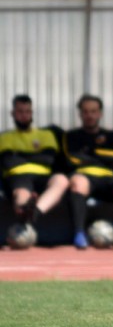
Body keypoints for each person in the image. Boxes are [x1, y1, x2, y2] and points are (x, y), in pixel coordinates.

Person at [62, 94, 113, 249]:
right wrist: (100, 155)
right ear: (80, 114)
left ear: (100, 113)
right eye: (85, 112)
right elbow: (73, 159)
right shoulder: (71, 136)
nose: (89, 115)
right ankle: (79, 234)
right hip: (84, 176)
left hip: (110, 177)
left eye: (93, 111)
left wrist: (89, 152)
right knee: (78, 183)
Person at [0, 94, 69, 240]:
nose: (24, 115)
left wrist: (19, 155)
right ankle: (25, 210)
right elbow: (9, 162)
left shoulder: (46, 134)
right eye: (20, 111)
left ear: (32, 113)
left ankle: (34, 212)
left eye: (27, 111)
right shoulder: (5, 137)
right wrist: (36, 155)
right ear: (13, 113)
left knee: (61, 180)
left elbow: (48, 159)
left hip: (44, 176)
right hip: (18, 175)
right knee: (21, 193)